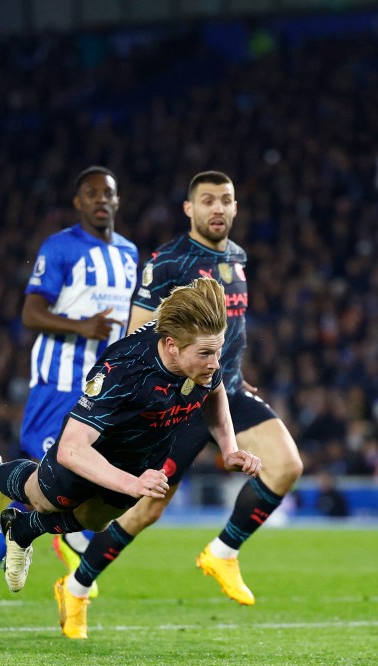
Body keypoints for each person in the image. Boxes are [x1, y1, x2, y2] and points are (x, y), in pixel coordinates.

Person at [52, 170, 304, 633]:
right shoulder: (168, 261)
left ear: (235, 208)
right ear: (189, 209)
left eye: (225, 200)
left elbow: (233, 334)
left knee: (287, 465)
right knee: (146, 508)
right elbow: (135, 337)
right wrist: (141, 405)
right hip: (174, 399)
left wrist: (238, 378)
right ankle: (77, 587)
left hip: (223, 389)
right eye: (207, 200)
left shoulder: (237, 257)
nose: (217, 208)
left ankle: (223, 553)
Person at [0, 277, 262, 638]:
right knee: (45, 498)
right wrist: (132, 482)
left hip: (141, 456)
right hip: (92, 451)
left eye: (218, 351)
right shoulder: (124, 368)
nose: (214, 362)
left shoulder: (202, 356)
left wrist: (229, 449)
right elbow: (71, 448)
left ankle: (21, 529)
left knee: (95, 521)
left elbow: (216, 390)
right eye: (206, 354)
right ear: (171, 346)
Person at [0, 166, 138, 623]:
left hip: (104, 389)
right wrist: (81, 327)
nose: (101, 199)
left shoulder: (128, 254)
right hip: (58, 382)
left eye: (108, 193)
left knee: (37, 492)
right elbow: (31, 312)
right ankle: (75, 545)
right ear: (78, 202)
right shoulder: (60, 247)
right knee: (58, 483)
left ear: (118, 201)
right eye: (91, 193)